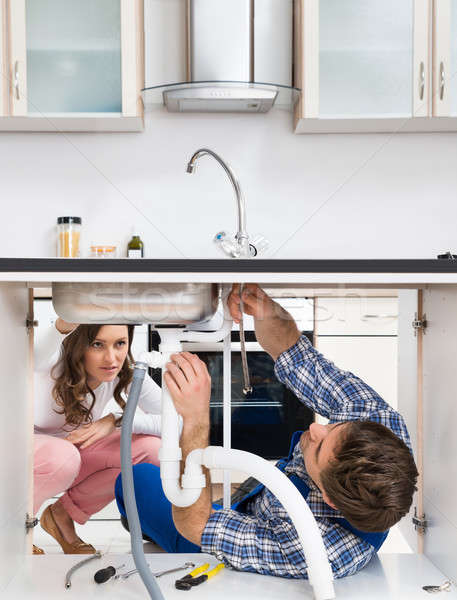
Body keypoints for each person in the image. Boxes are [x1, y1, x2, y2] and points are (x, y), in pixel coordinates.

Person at [115, 284, 418, 580]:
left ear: (329, 499)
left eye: (319, 448)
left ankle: (157, 531)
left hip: (238, 531)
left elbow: (197, 524)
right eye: (335, 427)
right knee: (153, 486)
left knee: (132, 480)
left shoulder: (318, 549)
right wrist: (264, 308)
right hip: (254, 502)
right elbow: (297, 356)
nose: (315, 429)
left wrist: (195, 419)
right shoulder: (376, 421)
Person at [33, 317, 164, 555]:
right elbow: (33, 353)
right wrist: (62, 324)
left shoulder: (125, 375)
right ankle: (14, 532)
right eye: (97, 344)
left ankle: (61, 516)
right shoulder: (52, 362)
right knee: (63, 455)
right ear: (78, 344)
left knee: (151, 450)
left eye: (120, 344)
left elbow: (176, 420)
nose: (112, 358)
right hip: (18, 459)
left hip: (67, 459)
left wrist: (117, 419)